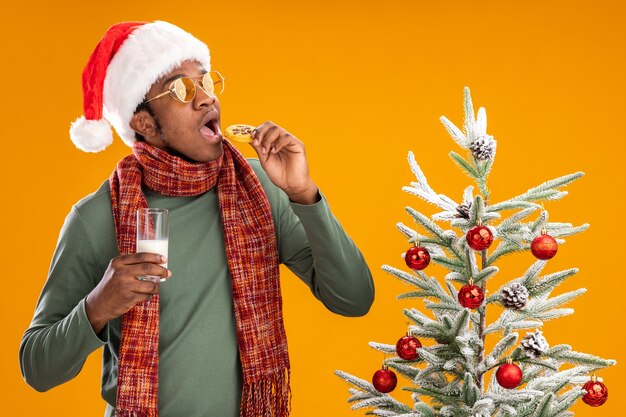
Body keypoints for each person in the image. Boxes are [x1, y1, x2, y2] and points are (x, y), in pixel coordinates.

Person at [19, 21, 374, 417]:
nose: (206, 99)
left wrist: (304, 194)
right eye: (182, 89)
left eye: (205, 82)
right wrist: (98, 306)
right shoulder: (98, 216)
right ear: (145, 124)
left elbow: (354, 299)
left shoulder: (259, 189)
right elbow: (37, 368)